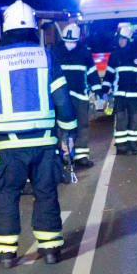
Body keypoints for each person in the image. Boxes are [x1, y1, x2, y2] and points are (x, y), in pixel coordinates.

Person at [0, 0, 76, 267]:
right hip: (44, 142)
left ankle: (6, 254)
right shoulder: (46, 56)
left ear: (5, 28)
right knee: (46, 193)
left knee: (7, 195)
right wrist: (68, 129)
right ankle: (51, 250)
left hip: (9, 145)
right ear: (33, 27)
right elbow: (62, 99)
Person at [52, 23, 101, 168]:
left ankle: (81, 156)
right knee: (61, 126)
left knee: (82, 126)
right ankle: (62, 155)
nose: (69, 45)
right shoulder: (55, 52)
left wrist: (98, 90)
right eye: (67, 41)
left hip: (78, 96)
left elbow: (92, 72)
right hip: (62, 96)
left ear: (77, 40)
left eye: (72, 42)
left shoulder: (84, 52)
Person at [102, 23, 137, 155]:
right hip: (120, 95)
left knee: (136, 120)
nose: (121, 41)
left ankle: (134, 144)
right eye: (120, 39)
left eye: (123, 39)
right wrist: (104, 92)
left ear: (129, 40)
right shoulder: (114, 56)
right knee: (121, 120)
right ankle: (121, 146)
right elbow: (109, 75)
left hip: (134, 95)